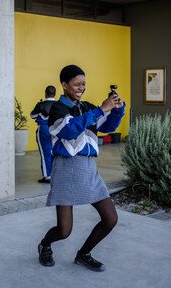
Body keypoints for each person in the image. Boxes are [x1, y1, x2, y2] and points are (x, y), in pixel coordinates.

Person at [37, 65, 125, 272]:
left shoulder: (87, 108)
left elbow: (108, 126)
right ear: (64, 85)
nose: (81, 88)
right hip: (66, 169)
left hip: (88, 169)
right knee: (64, 230)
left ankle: (83, 254)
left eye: (83, 84)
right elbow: (68, 130)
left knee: (110, 218)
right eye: (77, 84)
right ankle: (45, 244)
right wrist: (101, 109)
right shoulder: (56, 109)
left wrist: (117, 109)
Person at [30, 86, 56, 184]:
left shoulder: (41, 104)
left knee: (45, 153)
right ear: (55, 94)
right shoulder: (58, 104)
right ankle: (55, 174)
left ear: (45, 93)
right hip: (56, 130)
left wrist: (41, 115)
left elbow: (32, 115)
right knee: (55, 152)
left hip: (44, 130)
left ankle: (47, 176)